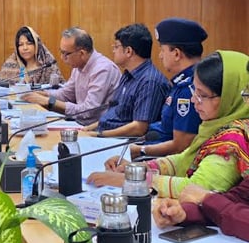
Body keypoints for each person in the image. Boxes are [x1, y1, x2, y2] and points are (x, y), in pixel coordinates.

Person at [88, 51, 249, 198]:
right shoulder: (217, 125)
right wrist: (136, 169)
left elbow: (194, 189)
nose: (194, 100)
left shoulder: (232, 141)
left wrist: (129, 181)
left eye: (202, 95)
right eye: (195, 92)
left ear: (231, 96)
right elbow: (185, 160)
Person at [152, 61, 249, 240]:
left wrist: (206, 198)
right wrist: (184, 213)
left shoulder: (234, 134)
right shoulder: (212, 127)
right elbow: (238, 197)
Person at [129, 18, 206, 159]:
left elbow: (181, 145)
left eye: (162, 50)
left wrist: (140, 150)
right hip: (153, 145)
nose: (160, 55)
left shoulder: (188, 89)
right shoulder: (183, 82)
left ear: (176, 53)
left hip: (165, 159)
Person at [85, 23, 170, 137]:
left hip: (122, 142)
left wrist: (99, 135)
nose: (113, 51)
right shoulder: (128, 75)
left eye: (116, 46)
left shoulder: (149, 82)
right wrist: (86, 130)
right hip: (106, 135)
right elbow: (114, 113)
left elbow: (139, 128)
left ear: (129, 51)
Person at [22, 27, 121, 125]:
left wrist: (50, 101)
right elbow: (66, 94)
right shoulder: (78, 66)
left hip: (98, 130)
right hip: (80, 124)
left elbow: (88, 111)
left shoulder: (102, 69)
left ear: (82, 53)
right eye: (61, 52)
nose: (62, 57)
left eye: (66, 54)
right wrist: (44, 94)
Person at [0, 26, 64, 86]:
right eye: (21, 45)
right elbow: (1, 90)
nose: (25, 48)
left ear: (36, 45)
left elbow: (61, 90)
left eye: (29, 43)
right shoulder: (9, 67)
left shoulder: (48, 66)